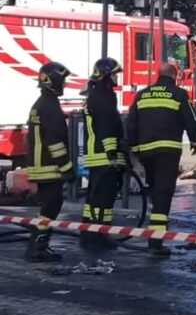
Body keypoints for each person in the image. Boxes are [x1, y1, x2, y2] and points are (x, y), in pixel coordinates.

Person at [126, 61, 196, 256]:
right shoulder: (179, 94)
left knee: (153, 190)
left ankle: (154, 230)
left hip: (146, 153)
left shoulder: (142, 94)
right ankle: (156, 241)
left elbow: (131, 123)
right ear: (175, 76)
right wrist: (195, 141)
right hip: (168, 152)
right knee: (163, 194)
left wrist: (133, 149)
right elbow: (191, 119)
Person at [25, 62, 74, 262]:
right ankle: (38, 248)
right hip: (49, 166)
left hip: (39, 164)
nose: (63, 84)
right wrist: (67, 167)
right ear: (52, 81)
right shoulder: (50, 106)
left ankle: (38, 246)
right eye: (61, 80)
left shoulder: (41, 103)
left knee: (48, 206)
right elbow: (55, 142)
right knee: (52, 206)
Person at [81, 57, 127, 250]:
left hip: (96, 155)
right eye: (115, 74)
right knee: (103, 198)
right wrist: (112, 153)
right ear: (107, 75)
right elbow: (107, 125)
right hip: (104, 155)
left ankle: (88, 233)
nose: (117, 77)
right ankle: (99, 235)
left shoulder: (94, 94)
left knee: (93, 198)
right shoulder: (105, 96)